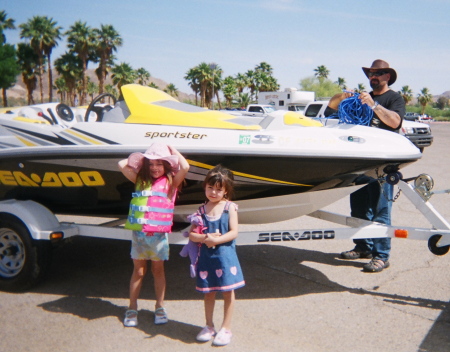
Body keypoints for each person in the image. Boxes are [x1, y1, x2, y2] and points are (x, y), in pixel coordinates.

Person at [327, 59, 405, 273]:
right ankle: (364, 247)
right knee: (359, 209)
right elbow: (328, 112)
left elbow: (395, 122)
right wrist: (341, 97)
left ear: (387, 76)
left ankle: (381, 256)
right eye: (371, 73)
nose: (373, 76)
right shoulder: (360, 99)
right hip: (359, 162)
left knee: (381, 211)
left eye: (378, 73)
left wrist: (374, 105)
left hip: (382, 164)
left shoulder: (393, 98)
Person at [118, 142, 189, 326]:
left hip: (159, 237)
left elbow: (186, 166)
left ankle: (159, 306)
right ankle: (132, 308)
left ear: (166, 165)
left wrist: (173, 152)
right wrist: (141, 160)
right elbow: (121, 164)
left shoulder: (171, 183)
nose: (155, 168)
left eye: (159, 164)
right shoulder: (140, 181)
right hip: (140, 236)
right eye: (151, 164)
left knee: (158, 271)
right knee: (139, 272)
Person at [189, 165, 245, 346]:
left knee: (228, 292)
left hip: (226, 258)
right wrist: (206, 237)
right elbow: (191, 234)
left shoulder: (230, 208)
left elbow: (234, 232)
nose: (213, 192)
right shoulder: (201, 210)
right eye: (210, 188)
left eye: (218, 189)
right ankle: (209, 326)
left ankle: (226, 328)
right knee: (208, 293)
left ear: (226, 190)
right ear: (204, 186)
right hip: (207, 260)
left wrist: (215, 241)